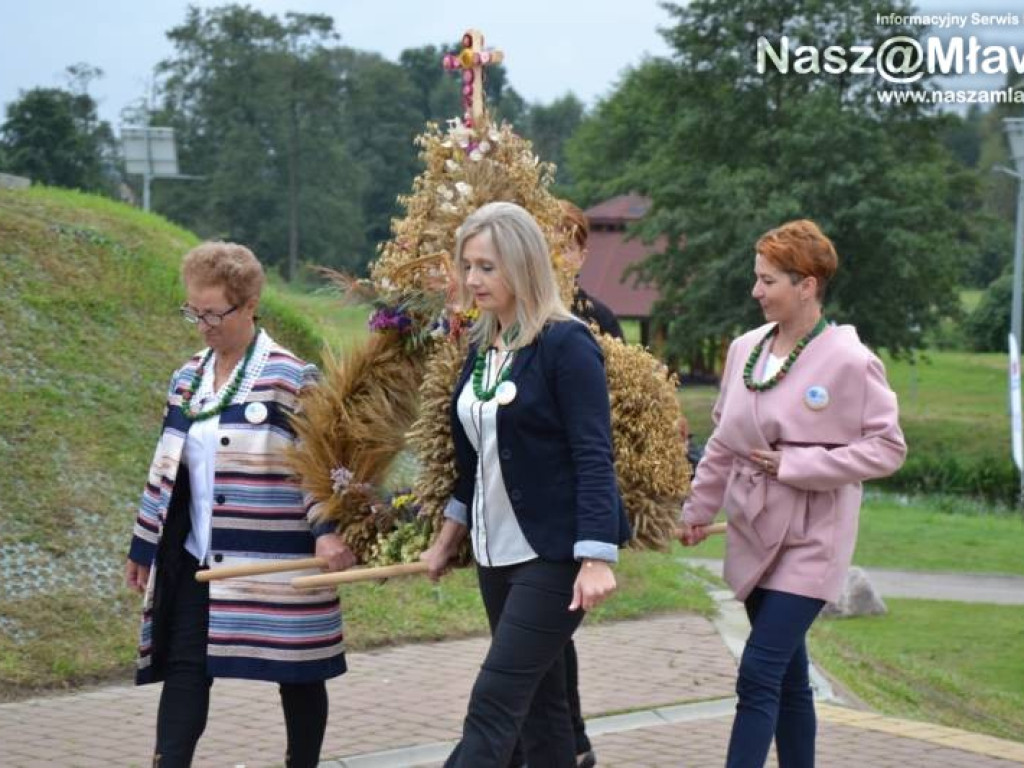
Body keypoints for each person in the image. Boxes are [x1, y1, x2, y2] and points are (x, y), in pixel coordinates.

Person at [678, 220, 906, 768]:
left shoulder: (851, 360)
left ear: (807, 285)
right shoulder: (744, 349)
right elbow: (723, 443)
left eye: (768, 280)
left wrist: (800, 465)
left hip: (814, 538)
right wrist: (697, 510)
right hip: (754, 530)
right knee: (788, 678)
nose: (755, 291)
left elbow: (888, 448)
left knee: (759, 671)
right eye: (756, 278)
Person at [124, 242, 356, 768]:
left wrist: (327, 530)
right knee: (185, 669)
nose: (203, 325)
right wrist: (144, 545)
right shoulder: (187, 379)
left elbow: (320, 465)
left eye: (214, 313)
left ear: (250, 305)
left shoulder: (291, 378)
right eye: (194, 312)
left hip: (276, 556)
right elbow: (165, 466)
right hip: (200, 557)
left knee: (297, 672)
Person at [420, 201, 631, 768]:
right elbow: (475, 460)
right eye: (468, 265)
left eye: (487, 267)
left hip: (555, 554)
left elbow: (593, 455)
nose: (472, 279)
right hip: (496, 553)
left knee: (494, 702)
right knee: (542, 708)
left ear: (523, 264)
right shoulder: (483, 347)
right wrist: (447, 537)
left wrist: (596, 557)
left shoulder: (567, 344)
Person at [560, 199, 624, 342]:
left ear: (581, 257)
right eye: (547, 245)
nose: (554, 255)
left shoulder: (601, 319)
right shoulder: (519, 312)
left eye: (565, 248)